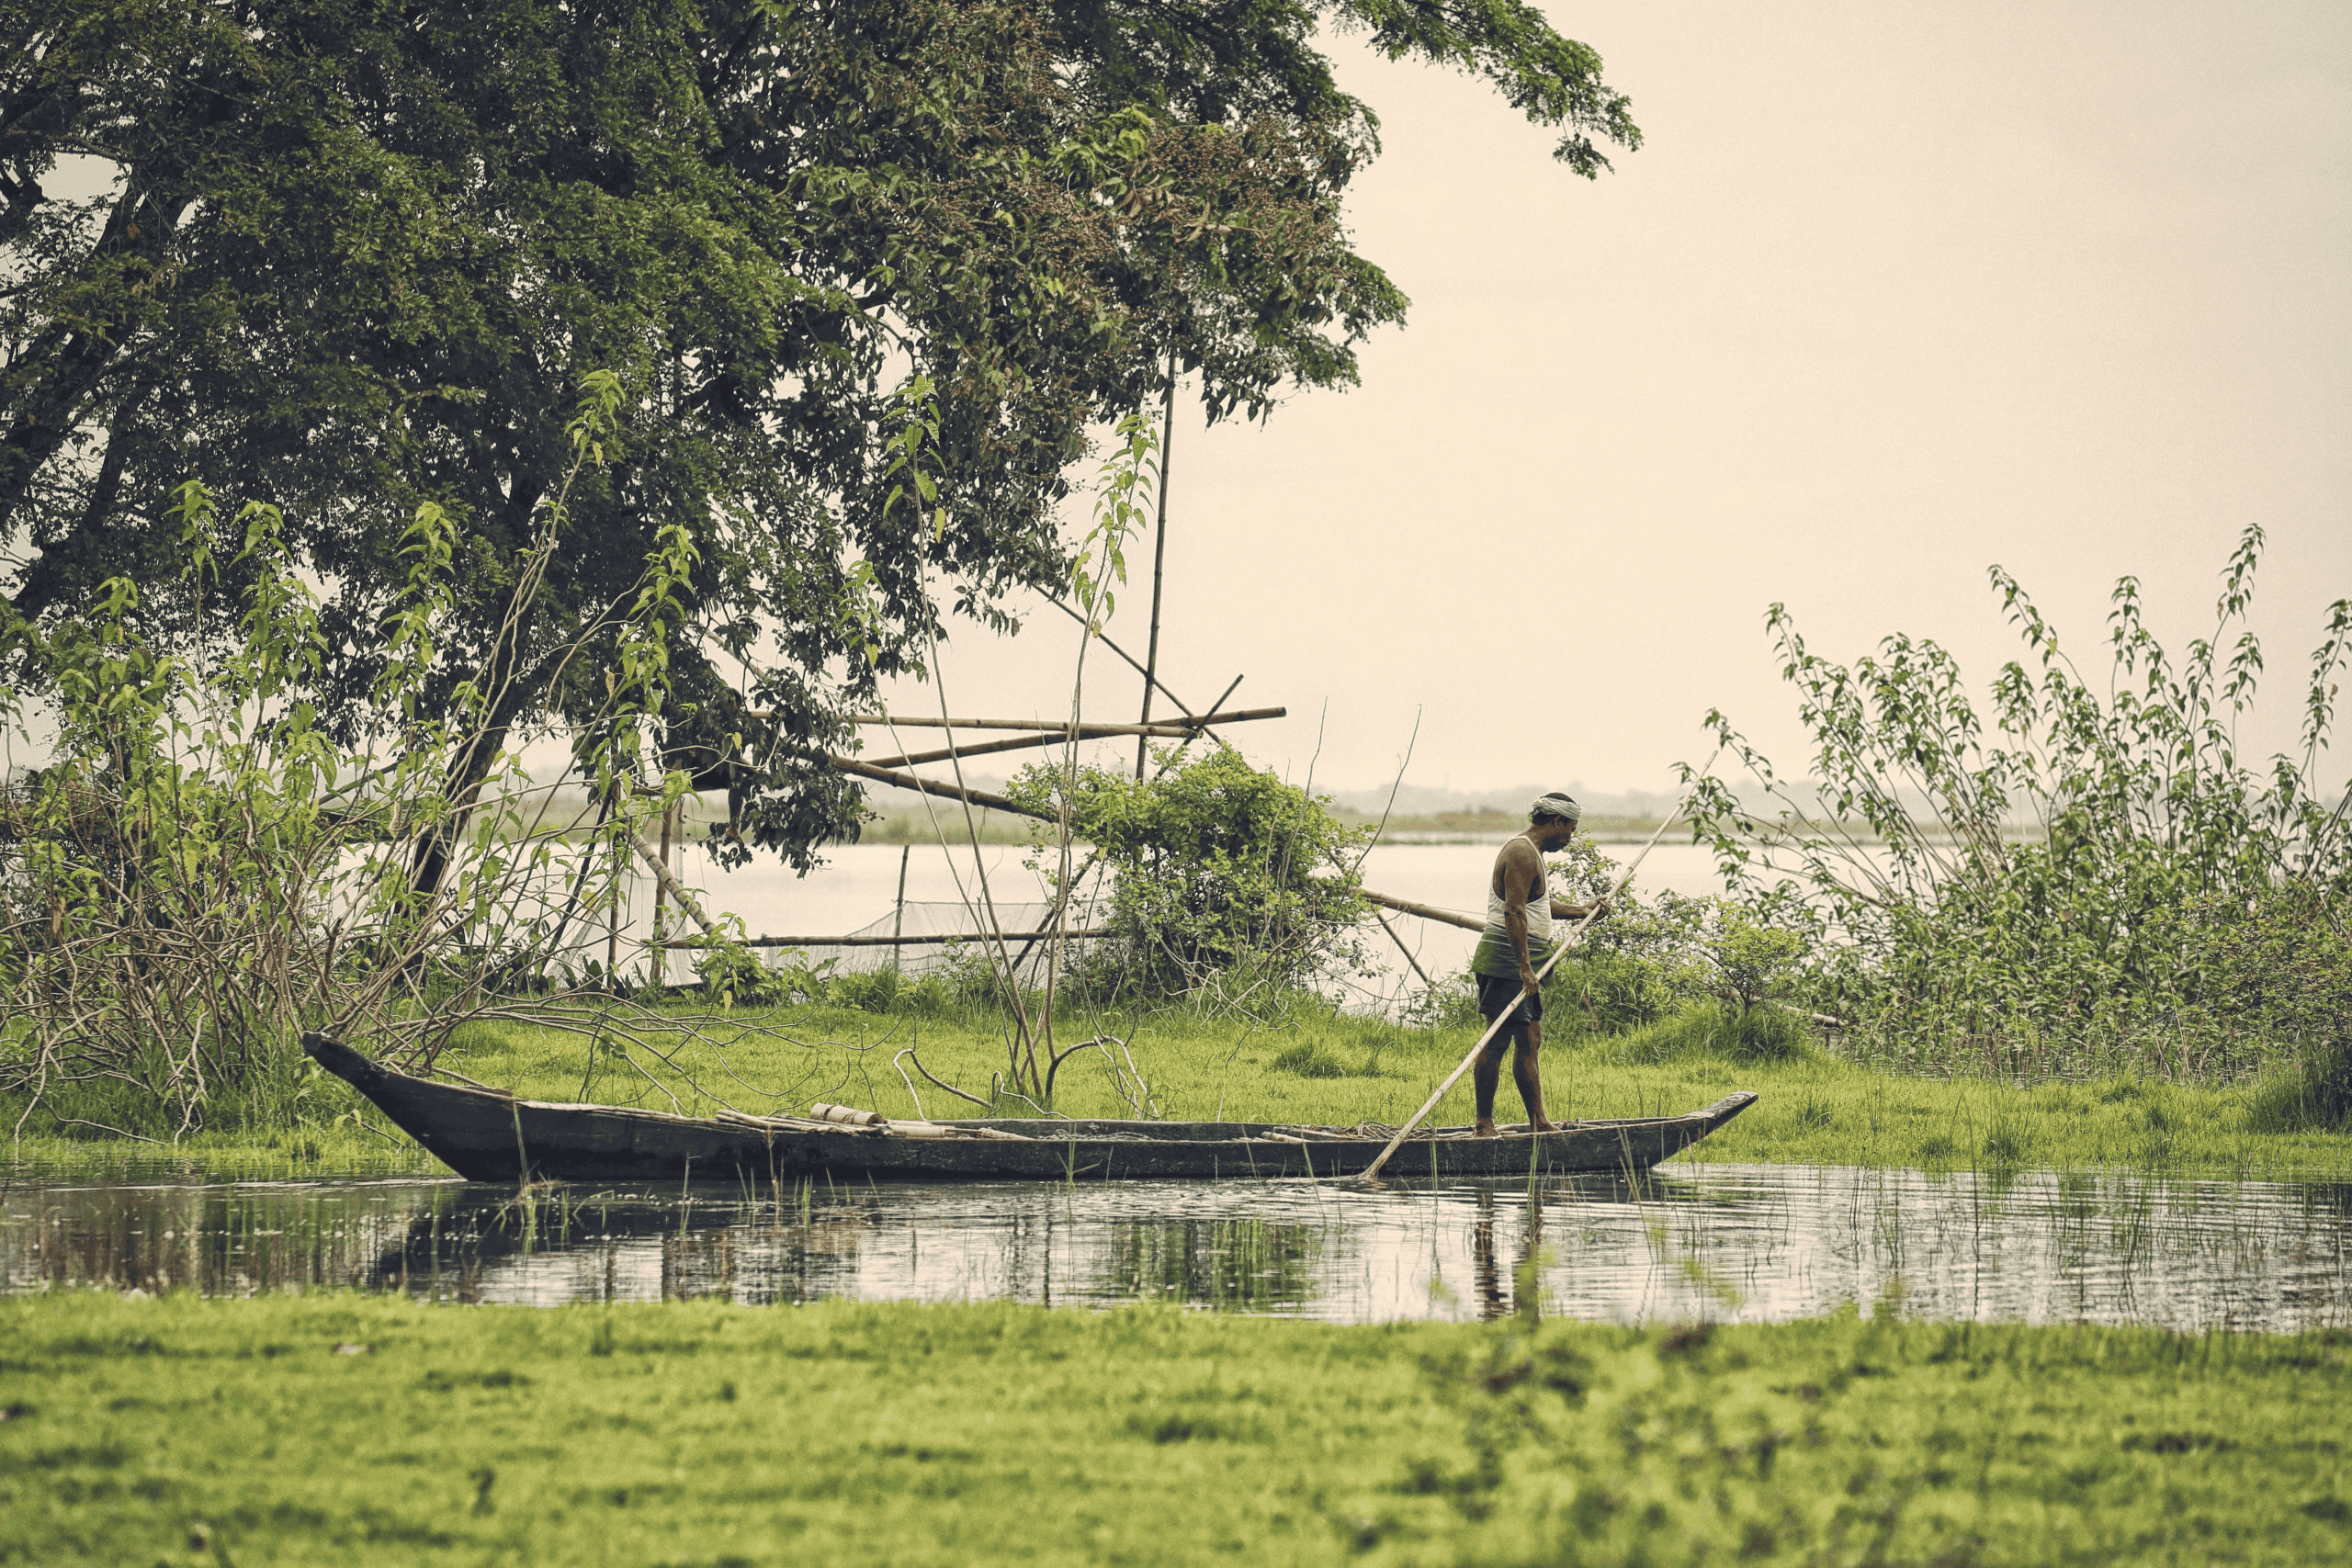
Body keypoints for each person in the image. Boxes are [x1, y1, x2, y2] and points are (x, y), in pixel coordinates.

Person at [1468, 791, 1609, 1135]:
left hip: (1525, 962)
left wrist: (1582, 910)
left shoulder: (1533, 854)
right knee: (1497, 1040)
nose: (1570, 838)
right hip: (1506, 961)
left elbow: (1536, 906)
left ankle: (1538, 1122)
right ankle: (1484, 1123)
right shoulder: (1520, 853)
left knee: (1530, 1039)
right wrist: (1524, 969)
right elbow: (1513, 910)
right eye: (1570, 830)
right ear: (1557, 822)